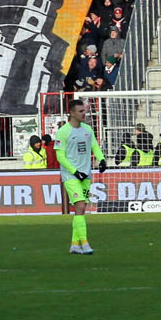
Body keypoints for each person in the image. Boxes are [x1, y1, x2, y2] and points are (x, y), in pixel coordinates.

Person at [53, 98, 106, 255]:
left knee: (80, 210)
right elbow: (60, 157)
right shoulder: (63, 132)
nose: (85, 114)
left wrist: (101, 159)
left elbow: (94, 146)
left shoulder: (87, 129)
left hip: (86, 175)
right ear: (72, 113)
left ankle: (74, 245)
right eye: (81, 111)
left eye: (85, 110)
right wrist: (75, 172)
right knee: (81, 206)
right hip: (71, 176)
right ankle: (85, 243)